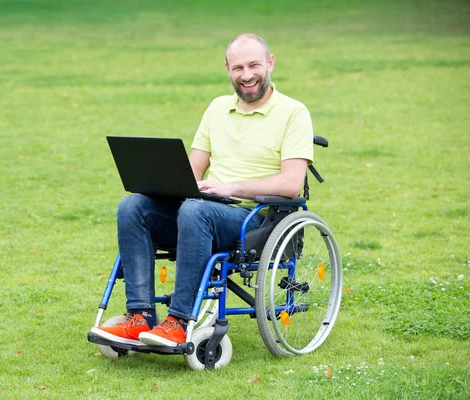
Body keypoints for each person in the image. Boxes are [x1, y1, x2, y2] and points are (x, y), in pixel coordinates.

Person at [91, 33, 314, 347]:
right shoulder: (217, 108)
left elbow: (291, 184)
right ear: (227, 69)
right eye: (238, 68)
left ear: (270, 63)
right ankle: (139, 316)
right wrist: (161, 184)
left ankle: (179, 321)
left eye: (254, 65)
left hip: (255, 219)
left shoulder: (293, 113)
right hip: (203, 209)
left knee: (195, 211)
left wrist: (231, 187)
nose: (247, 75)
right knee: (133, 206)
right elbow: (193, 173)